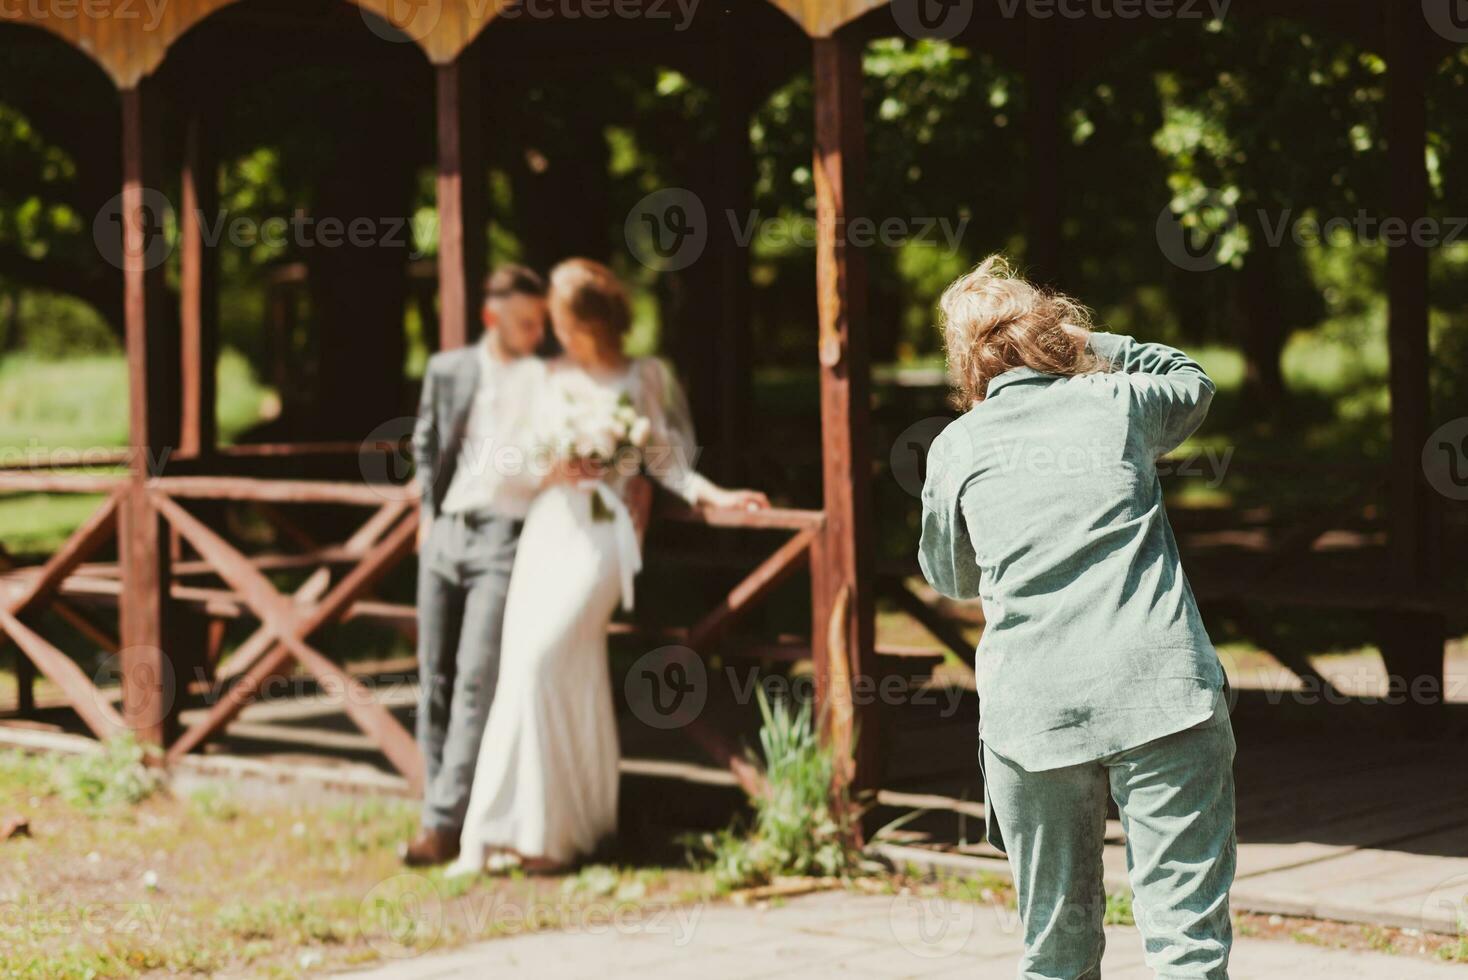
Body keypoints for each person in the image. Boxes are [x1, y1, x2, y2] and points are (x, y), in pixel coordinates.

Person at [919, 255, 1236, 978]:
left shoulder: (955, 449)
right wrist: (1094, 346)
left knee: (1055, 950)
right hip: (1162, 693)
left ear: (967, 360)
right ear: (1049, 333)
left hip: (1034, 715)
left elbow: (952, 577)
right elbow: (1193, 380)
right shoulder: (1118, 401)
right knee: (1187, 942)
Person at [448, 258, 770, 875]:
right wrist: (553, 468)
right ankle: (510, 833)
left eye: (566, 322)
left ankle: (554, 831)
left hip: (603, 538)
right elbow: (506, 464)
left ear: (594, 319)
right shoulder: (543, 377)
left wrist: (715, 494)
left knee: (547, 657)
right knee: (528, 670)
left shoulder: (644, 374)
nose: (557, 334)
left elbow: (669, 461)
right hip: (549, 531)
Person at [403, 264, 549, 867]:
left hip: (505, 538)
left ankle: (442, 825)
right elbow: (427, 440)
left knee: (473, 679)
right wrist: (425, 513)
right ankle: (441, 808)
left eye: (541, 322)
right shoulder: (449, 369)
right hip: (447, 534)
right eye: (524, 322)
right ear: (493, 318)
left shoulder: (549, 378)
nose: (536, 333)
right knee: (432, 678)